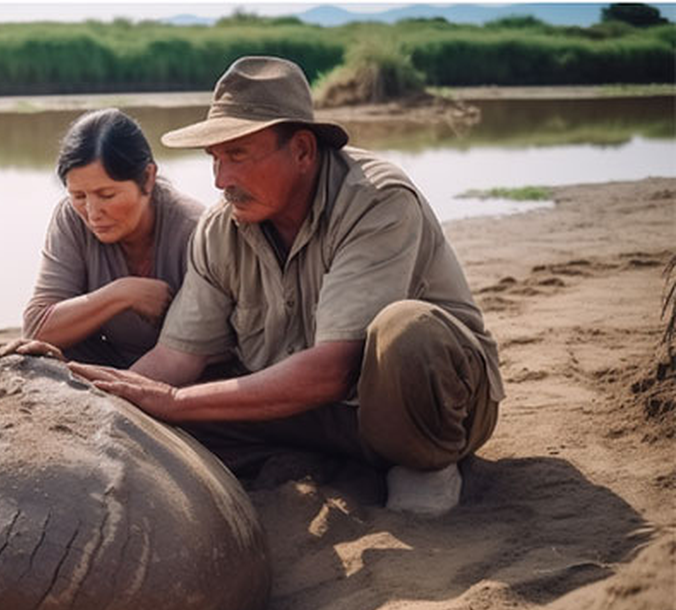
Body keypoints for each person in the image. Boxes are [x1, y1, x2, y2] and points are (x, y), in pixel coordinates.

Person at [67, 57, 505, 514]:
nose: (221, 181)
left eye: (237, 155)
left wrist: (175, 401)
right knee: (172, 400)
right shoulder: (222, 228)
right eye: (215, 159)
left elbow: (334, 368)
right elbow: (178, 356)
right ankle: (315, 456)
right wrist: (109, 406)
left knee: (406, 330)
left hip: (414, 409)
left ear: (302, 150)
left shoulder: (377, 201)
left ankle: (424, 463)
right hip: (307, 414)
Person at [19, 108, 204, 368]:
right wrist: (122, 293)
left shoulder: (194, 230)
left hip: (185, 371)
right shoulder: (71, 218)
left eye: (107, 195)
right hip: (112, 361)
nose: (93, 214)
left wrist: (120, 388)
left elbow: (191, 352)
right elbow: (37, 328)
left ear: (148, 178)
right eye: (79, 196)